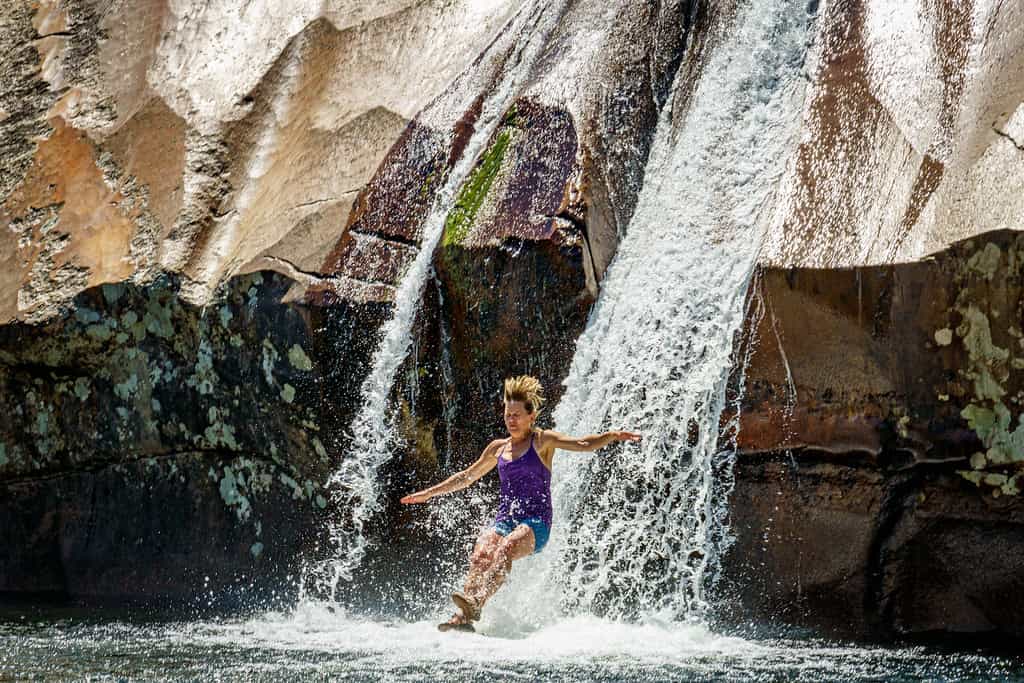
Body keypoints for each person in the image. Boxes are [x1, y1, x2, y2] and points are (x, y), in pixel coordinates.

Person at [400, 375, 641, 631]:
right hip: (507, 520)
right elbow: (466, 477)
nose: (511, 420)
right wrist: (429, 493)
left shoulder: (542, 441)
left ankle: (476, 603)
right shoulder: (497, 448)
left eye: (517, 415)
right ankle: (463, 617)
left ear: (531, 417)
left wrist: (611, 435)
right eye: (507, 415)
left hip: (536, 523)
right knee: (482, 551)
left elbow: (582, 443)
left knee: (507, 547)